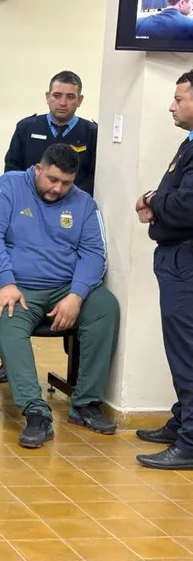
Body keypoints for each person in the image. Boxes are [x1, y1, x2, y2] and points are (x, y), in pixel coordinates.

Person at [0, 143, 119, 449]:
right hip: (12, 285)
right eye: (52, 179)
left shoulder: (84, 203)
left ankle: (85, 403)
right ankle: (35, 410)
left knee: (106, 306)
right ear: (38, 169)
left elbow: (95, 253)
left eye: (66, 183)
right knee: (9, 316)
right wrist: (6, 282)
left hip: (64, 288)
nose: (58, 189)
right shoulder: (8, 187)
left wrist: (77, 295)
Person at [0, 70, 98, 384]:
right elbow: (12, 170)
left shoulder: (92, 133)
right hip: (27, 216)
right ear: (47, 97)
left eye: (70, 96)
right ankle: (9, 364)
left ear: (79, 100)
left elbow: (95, 178)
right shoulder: (27, 128)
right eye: (57, 95)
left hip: (69, 220)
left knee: (87, 303)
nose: (62, 102)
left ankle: (75, 372)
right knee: (10, 309)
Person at [135, 70, 193, 470]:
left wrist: (154, 200)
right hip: (175, 259)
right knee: (180, 349)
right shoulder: (187, 144)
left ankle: (190, 442)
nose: (171, 106)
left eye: (179, 99)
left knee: (187, 352)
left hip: (186, 262)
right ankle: (181, 423)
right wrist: (156, 200)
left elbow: (186, 206)